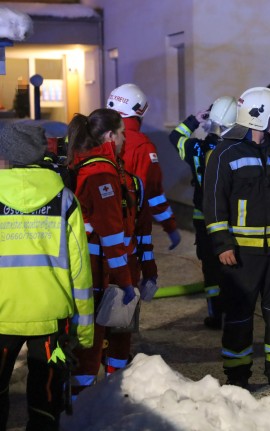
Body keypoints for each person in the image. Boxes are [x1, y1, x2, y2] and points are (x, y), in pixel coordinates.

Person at [203, 87, 270, 392]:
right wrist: (222, 244)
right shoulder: (225, 152)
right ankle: (237, 375)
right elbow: (214, 201)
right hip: (241, 254)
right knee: (239, 316)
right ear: (258, 117)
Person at [0, 123, 94, 431]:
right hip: (53, 318)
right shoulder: (65, 200)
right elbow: (80, 272)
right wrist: (84, 332)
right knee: (46, 398)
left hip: (1, 315)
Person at [66, 108, 140, 395]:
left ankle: (82, 396)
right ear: (110, 136)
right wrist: (125, 281)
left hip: (87, 266)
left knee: (88, 336)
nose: (124, 139)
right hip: (95, 270)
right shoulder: (101, 173)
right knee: (93, 339)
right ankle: (84, 403)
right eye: (121, 133)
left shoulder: (89, 166)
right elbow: (111, 234)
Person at [169, 96, 237, 330]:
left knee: (210, 267)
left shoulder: (196, 148)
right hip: (231, 219)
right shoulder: (236, 149)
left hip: (203, 217)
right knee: (232, 265)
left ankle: (215, 314)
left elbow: (175, 136)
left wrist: (194, 120)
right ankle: (235, 311)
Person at [106, 84, 180, 285]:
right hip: (132, 229)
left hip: (97, 231)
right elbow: (153, 192)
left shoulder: (92, 137)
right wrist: (170, 227)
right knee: (126, 295)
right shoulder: (142, 145)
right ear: (139, 112)